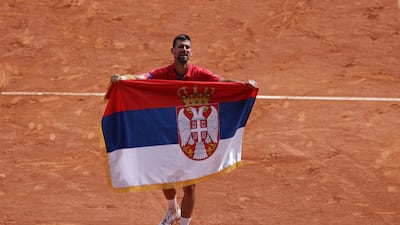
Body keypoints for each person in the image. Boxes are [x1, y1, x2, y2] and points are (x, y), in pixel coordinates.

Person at [110, 34, 256, 225]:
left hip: (189, 137)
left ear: (191, 52)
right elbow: (142, 79)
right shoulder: (163, 72)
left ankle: (185, 223)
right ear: (173, 51)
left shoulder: (200, 74)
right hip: (167, 133)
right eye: (180, 47)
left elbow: (221, 82)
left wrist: (243, 85)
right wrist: (123, 79)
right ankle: (173, 210)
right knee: (165, 177)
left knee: (190, 185)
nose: (184, 50)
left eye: (187, 47)